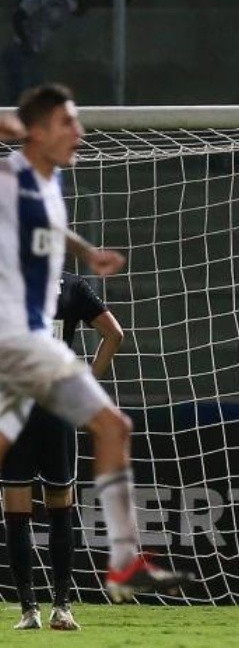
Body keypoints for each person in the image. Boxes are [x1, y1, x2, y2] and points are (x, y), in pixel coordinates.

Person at [0, 83, 192, 606]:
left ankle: (126, 565)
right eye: (68, 122)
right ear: (38, 130)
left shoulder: (49, 181)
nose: (79, 133)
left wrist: (87, 254)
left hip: (32, 346)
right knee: (111, 425)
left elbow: (51, 231)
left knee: (113, 426)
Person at [2, 272, 123, 631]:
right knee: (60, 508)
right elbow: (114, 334)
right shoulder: (70, 286)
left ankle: (28, 611)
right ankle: (62, 608)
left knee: (16, 513)